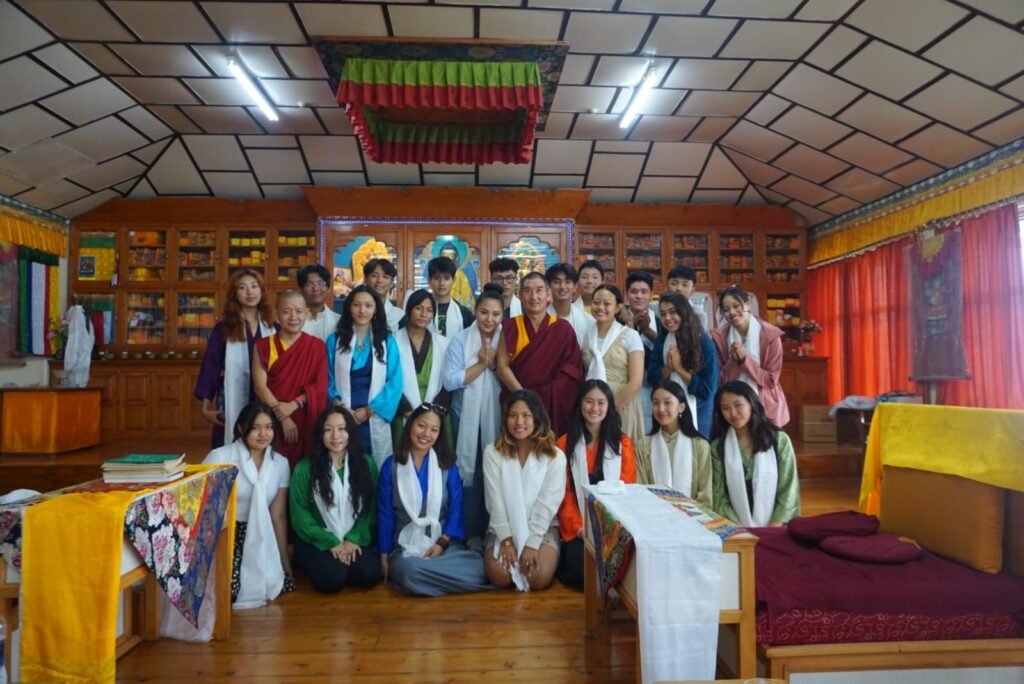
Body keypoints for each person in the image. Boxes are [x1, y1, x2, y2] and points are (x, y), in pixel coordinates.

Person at [378, 403, 493, 596]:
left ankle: (425, 582)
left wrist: (441, 544)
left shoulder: (447, 466)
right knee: (409, 571)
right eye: (421, 425)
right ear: (410, 426)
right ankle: (435, 579)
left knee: (483, 569)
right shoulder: (391, 466)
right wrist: (383, 557)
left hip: (443, 545)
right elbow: (385, 514)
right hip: (405, 548)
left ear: (440, 434)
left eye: (434, 429)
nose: (426, 434)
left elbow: (456, 509)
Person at [203, 402, 293, 608]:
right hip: (225, 532)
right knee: (232, 591)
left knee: (275, 585)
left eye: (269, 427)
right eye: (255, 427)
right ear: (241, 429)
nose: (263, 434)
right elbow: (204, 509)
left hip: (261, 533)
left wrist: (284, 561)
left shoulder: (280, 463)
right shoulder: (220, 457)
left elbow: (277, 516)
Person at [289, 406, 382, 594]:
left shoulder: (366, 464)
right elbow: (300, 514)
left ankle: (343, 560)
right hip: (317, 537)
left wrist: (353, 539)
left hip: (353, 536)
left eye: (341, 429)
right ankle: (331, 563)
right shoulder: (305, 468)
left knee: (369, 574)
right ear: (320, 434)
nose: (335, 436)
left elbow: (371, 509)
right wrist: (330, 541)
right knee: (331, 580)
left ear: (350, 432)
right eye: (328, 430)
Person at [555, 380, 637, 589]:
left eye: (601, 403)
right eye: (589, 402)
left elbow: (626, 491)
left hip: (612, 524)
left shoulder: (622, 444)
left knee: (622, 570)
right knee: (581, 575)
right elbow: (563, 494)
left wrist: (609, 528)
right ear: (580, 405)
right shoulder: (564, 444)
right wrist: (579, 527)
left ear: (609, 406)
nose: (594, 408)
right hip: (578, 524)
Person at [483, 390, 567, 591]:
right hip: (504, 527)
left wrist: (532, 543)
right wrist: (506, 540)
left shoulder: (555, 456)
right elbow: (495, 502)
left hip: (543, 528)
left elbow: (548, 504)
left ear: (537, 418)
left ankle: (550, 549)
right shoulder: (493, 452)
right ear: (505, 419)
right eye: (513, 415)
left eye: (526, 415)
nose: (519, 421)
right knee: (500, 576)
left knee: (536, 578)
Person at [442, 284, 505, 542]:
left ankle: (494, 528)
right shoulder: (460, 339)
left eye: (496, 314)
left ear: (502, 315)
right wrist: (483, 364)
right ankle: (466, 530)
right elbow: (450, 381)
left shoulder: (506, 336)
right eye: (484, 312)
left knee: (493, 468)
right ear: (475, 312)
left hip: (497, 413)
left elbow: (511, 373)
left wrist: (495, 364)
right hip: (463, 415)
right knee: (466, 468)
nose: (489, 319)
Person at [194, 268, 275, 448]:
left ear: (261, 291)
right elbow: (211, 366)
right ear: (234, 294)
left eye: (254, 286)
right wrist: (206, 407)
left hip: (265, 395)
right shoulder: (224, 328)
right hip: (230, 398)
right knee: (229, 441)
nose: (249, 292)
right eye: (242, 287)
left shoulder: (273, 327)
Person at [496, 272, 584, 436]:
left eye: (539, 290)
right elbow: (502, 366)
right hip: (516, 403)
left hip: (553, 405)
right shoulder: (510, 326)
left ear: (548, 295)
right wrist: (523, 397)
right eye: (528, 291)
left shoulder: (563, 329)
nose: (534, 296)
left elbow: (572, 371)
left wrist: (541, 397)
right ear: (520, 295)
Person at [327, 284, 403, 468]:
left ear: (376, 309)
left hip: (374, 413)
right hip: (343, 412)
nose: (362, 310)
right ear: (349, 308)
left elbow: (395, 382)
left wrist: (368, 411)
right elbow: (326, 379)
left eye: (368, 306)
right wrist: (340, 406)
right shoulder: (335, 340)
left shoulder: (387, 341)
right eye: (357, 305)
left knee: (375, 467)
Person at [252, 290, 328, 468]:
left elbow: (320, 386)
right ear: (277, 315)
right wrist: (283, 417)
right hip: (272, 420)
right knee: (273, 469)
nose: (293, 317)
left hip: (306, 417)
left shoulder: (316, 346)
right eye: (286, 311)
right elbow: (260, 387)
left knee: (305, 469)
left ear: (307, 314)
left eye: (299, 311)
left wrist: (294, 404)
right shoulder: (263, 346)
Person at [710, 380, 800, 527]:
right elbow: (719, 496)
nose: (733, 413)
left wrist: (773, 527)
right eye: (725, 408)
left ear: (751, 403)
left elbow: (789, 489)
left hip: (777, 526)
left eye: (738, 405)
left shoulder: (778, 440)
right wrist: (741, 530)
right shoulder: (717, 446)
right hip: (736, 528)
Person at [710, 285, 789, 427]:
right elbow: (720, 381)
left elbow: (770, 381)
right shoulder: (718, 338)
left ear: (748, 304)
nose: (732, 313)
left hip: (765, 406)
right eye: (726, 310)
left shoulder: (771, 335)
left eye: (736, 306)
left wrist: (745, 361)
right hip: (732, 409)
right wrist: (735, 362)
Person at [581, 284, 646, 449]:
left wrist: (610, 409)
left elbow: (636, 382)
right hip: (592, 407)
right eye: (596, 302)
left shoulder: (630, 336)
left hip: (621, 404)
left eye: (607, 303)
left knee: (621, 455)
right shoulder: (587, 335)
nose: (600, 307)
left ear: (618, 307)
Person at [648, 293, 718, 438]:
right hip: (666, 407)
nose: (667, 318)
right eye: (663, 313)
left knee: (696, 452)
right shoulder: (662, 341)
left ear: (685, 313)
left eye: (673, 312)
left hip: (699, 408)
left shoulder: (704, 343)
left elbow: (707, 390)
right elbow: (652, 377)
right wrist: (668, 369)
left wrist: (679, 369)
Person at [636, 380, 713, 508]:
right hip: (654, 518)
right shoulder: (643, 445)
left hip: (693, 521)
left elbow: (705, 496)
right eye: (656, 403)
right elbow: (641, 489)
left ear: (681, 407)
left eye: (667, 403)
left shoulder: (700, 445)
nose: (660, 409)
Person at [393, 289, 452, 444]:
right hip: (403, 410)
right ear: (409, 309)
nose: (423, 314)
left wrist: (433, 412)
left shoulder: (442, 344)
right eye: (418, 308)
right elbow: (387, 380)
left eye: (429, 310)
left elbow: (448, 383)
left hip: (435, 412)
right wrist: (407, 411)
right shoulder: (393, 341)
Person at [545, 262, 592, 348]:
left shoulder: (588, 320)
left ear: (574, 287)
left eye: (568, 281)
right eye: (556, 282)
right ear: (549, 286)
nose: (562, 286)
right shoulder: (541, 319)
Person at [427, 256, 474, 338]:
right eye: (437, 278)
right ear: (429, 280)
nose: (441, 283)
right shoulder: (422, 311)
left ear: (454, 280)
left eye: (446, 278)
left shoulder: (464, 314)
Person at [297, 264, 340, 342]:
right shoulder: (291, 321)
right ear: (301, 289)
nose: (316, 289)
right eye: (309, 284)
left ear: (329, 289)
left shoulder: (339, 322)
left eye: (320, 283)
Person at [363, 257, 404, 332]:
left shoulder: (399, 316)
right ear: (365, 279)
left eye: (385, 277)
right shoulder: (357, 311)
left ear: (391, 283)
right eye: (374, 275)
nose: (379, 280)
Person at [666, 265, 710, 331]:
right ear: (667, 287)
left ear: (693, 290)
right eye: (674, 283)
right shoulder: (656, 310)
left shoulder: (699, 315)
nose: (679, 288)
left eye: (685, 285)